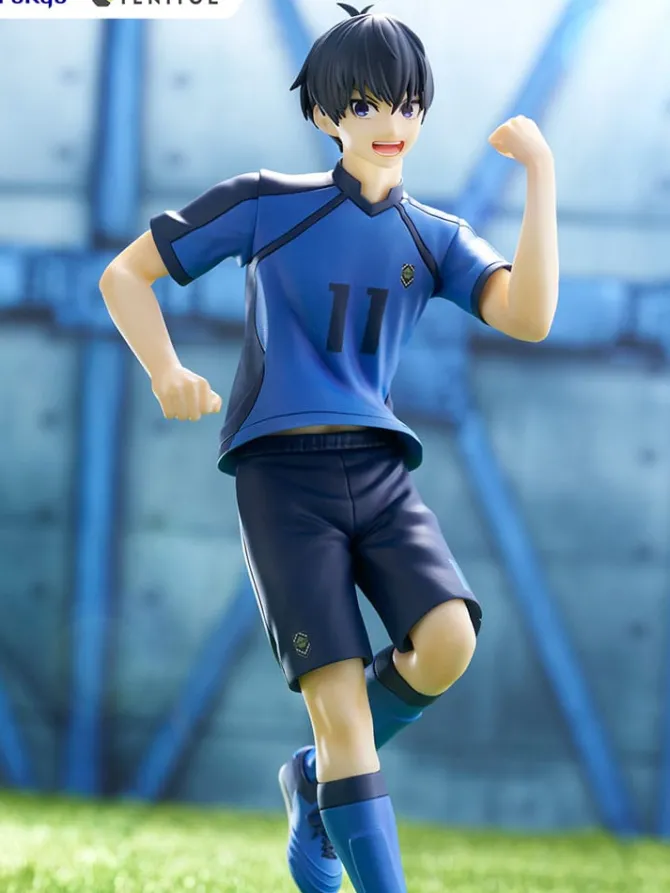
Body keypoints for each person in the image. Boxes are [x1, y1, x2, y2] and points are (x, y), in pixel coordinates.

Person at [99, 4, 559, 891]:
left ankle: (314, 779)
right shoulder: (267, 203)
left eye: (406, 105)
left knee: (449, 639)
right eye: (364, 105)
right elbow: (127, 273)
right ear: (324, 114)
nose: (390, 123)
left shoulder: (434, 235)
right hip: (281, 479)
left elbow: (530, 316)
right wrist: (165, 369)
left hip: (380, 471)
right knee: (341, 710)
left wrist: (540, 173)